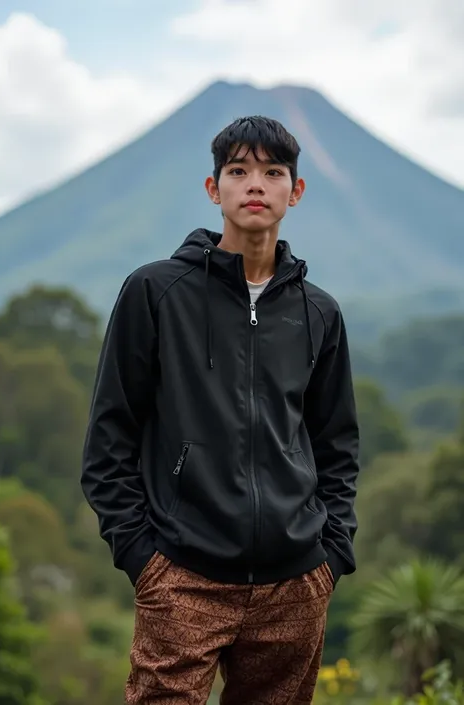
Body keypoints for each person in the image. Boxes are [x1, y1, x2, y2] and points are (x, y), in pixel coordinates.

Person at [81, 115, 360, 705]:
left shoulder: (319, 313)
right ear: (214, 190)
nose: (254, 184)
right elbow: (110, 439)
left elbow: (337, 444)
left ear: (296, 190)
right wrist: (145, 558)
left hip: (296, 580)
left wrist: (329, 555)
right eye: (238, 170)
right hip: (183, 575)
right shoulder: (155, 293)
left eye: (272, 171)